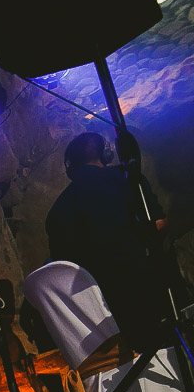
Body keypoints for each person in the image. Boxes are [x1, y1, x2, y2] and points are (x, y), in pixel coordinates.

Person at [45, 132, 179, 354]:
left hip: (103, 317)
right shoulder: (127, 178)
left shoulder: (56, 212)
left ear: (70, 167)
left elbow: (64, 269)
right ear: (107, 154)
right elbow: (159, 224)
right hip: (153, 293)